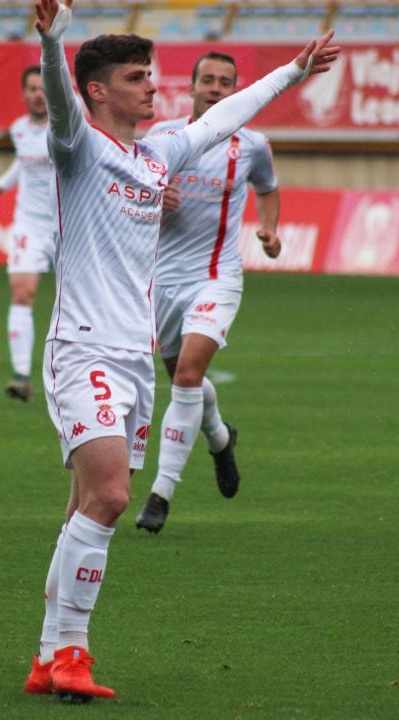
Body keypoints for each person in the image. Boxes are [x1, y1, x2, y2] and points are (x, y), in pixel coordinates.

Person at [23, 0, 339, 702]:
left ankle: (48, 659)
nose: (153, 87)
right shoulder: (78, 146)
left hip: (134, 360)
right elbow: (60, 99)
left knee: (83, 508)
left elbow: (228, 117)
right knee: (110, 497)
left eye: (152, 75)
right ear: (101, 91)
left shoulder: (155, 154)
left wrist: (294, 70)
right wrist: (53, 42)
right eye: (138, 77)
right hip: (84, 351)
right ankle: (74, 654)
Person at [135, 51, 283, 534]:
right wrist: (155, 195)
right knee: (183, 376)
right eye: (208, 80)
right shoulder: (161, 139)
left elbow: (267, 187)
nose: (217, 88)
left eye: (226, 81)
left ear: (236, 89)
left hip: (217, 277)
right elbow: (126, 195)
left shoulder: (253, 145)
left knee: (188, 376)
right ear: (192, 87)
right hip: (164, 281)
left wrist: (270, 229)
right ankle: (220, 439)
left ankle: (161, 493)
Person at [0, 67, 56, 402]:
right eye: (31, 88)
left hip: (67, 225)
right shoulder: (19, 130)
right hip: (29, 223)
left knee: (75, 301)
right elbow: (22, 164)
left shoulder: (65, 128)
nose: (38, 94)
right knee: (22, 293)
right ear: (24, 93)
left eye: (43, 88)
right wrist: (1, 184)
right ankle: (21, 376)